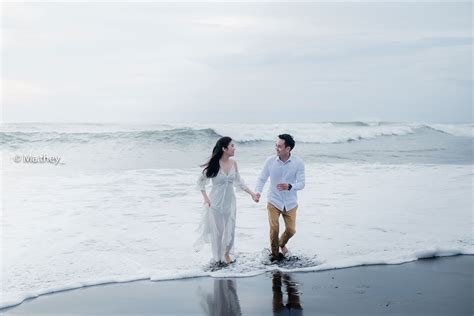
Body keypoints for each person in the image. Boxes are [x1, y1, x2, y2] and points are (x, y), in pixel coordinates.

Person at [196, 136, 258, 265]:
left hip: (230, 203)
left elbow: (239, 182)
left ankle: (226, 254)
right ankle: (218, 258)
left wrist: (252, 193)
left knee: (230, 229)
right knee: (218, 233)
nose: (234, 148)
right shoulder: (214, 164)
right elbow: (201, 182)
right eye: (232, 146)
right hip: (215, 204)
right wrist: (206, 198)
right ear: (224, 149)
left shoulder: (234, 164)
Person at [254, 134, 305, 262]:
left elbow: (302, 183)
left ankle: (281, 244)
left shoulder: (298, 163)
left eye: (280, 146)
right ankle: (275, 256)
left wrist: (290, 186)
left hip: (290, 203)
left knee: (291, 230)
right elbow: (262, 178)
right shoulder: (270, 161)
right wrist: (258, 192)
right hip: (274, 200)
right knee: (274, 228)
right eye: (276, 145)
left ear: (288, 149)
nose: (276, 148)